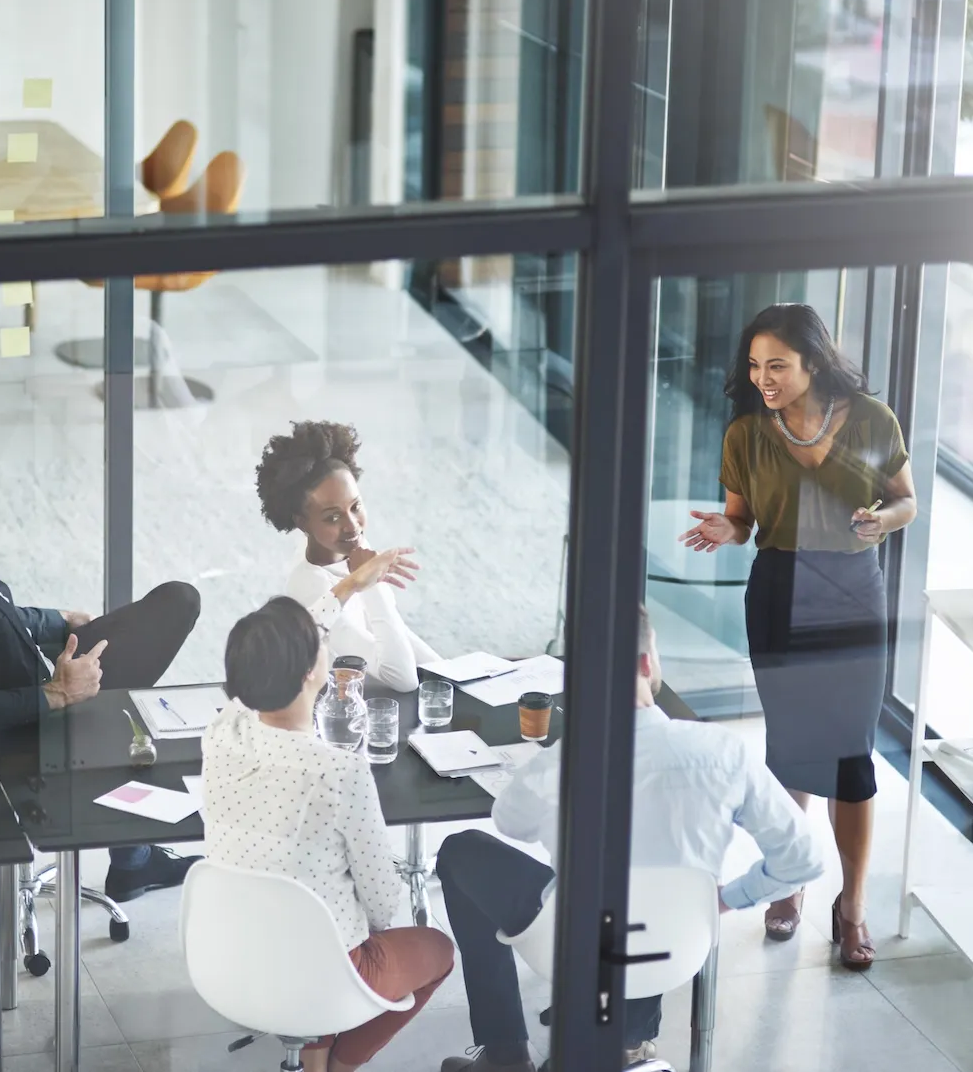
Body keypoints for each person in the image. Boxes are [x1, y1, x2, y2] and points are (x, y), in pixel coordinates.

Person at [434, 607, 822, 1072]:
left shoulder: (564, 760)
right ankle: (627, 1043)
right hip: (678, 945)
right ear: (645, 664)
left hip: (570, 945)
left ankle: (504, 1053)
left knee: (461, 852)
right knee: (652, 870)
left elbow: (509, 823)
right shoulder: (723, 751)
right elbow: (804, 859)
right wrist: (725, 899)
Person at [678, 303, 917, 970]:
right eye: (755, 366)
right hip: (779, 590)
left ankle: (853, 906)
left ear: (814, 361)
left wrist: (883, 521)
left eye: (777, 365)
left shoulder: (872, 418)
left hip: (853, 593)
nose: (763, 378)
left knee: (853, 758)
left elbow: (908, 499)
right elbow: (743, 520)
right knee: (790, 748)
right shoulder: (747, 432)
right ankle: (791, 877)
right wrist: (729, 529)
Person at [0, 431, 203, 903]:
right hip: (29, 731)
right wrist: (60, 693)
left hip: (36, 674)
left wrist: (61, 620)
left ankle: (133, 859)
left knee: (174, 602)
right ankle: (133, 862)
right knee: (136, 705)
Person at [203, 597, 456, 1072]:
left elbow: (273, 656)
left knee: (314, 915)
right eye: (321, 645)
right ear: (311, 674)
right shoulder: (338, 770)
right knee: (436, 949)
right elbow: (382, 904)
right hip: (323, 975)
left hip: (231, 960)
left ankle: (315, 1055)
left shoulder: (221, 732)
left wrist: (348, 587)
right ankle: (339, 1066)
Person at [256, 420, 441, 692]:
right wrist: (371, 584)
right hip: (342, 715)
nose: (352, 525)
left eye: (355, 506)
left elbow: (393, 630)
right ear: (303, 523)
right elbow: (401, 679)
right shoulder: (311, 586)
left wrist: (447, 671)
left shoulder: (348, 544)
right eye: (333, 516)